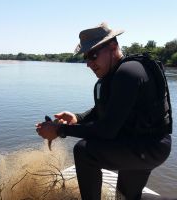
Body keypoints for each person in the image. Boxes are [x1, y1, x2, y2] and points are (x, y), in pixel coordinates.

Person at [35, 23, 172, 200]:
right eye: (86, 57)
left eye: (93, 55)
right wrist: (77, 118)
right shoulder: (117, 73)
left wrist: (60, 130)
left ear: (113, 47)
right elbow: (105, 111)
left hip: (147, 146)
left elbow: (107, 130)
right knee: (126, 196)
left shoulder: (127, 73)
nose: (89, 64)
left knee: (84, 151)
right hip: (142, 144)